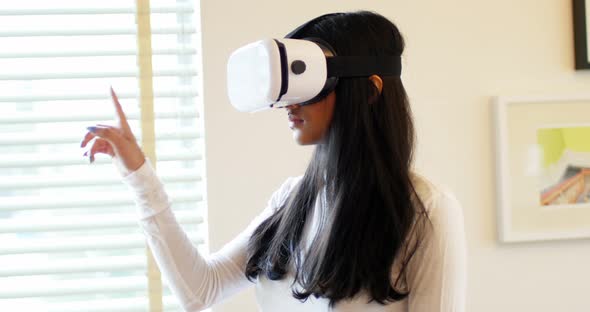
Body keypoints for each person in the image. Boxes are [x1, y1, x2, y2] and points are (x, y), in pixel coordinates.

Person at [80, 11, 466, 312]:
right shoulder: (292, 200)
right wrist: (139, 176)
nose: (289, 102)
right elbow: (201, 290)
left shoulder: (426, 210)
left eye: (308, 82)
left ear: (368, 91)